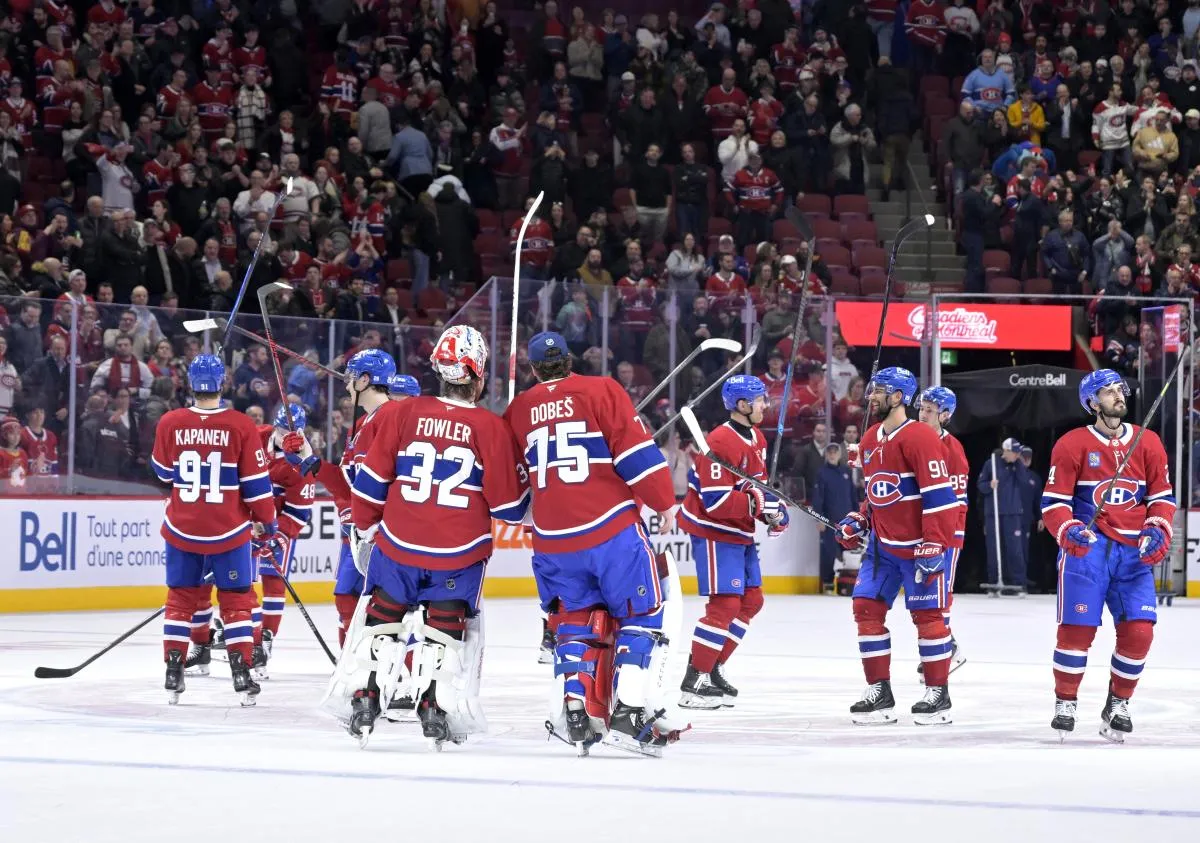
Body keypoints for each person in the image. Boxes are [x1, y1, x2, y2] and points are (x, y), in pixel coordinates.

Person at [347, 325, 530, 747]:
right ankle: (434, 706)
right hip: (458, 551)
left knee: (383, 623)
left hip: (397, 545)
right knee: (444, 631)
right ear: (479, 376)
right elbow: (510, 509)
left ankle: (366, 696)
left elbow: (370, 485)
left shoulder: (399, 413)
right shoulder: (490, 427)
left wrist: (366, 531)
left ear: (439, 371)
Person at [504, 331, 684, 757]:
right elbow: (636, 454)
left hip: (552, 540)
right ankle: (630, 710)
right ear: (570, 361)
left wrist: (528, 513)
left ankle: (576, 702)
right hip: (610, 529)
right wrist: (665, 504)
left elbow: (512, 491)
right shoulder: (602, 389)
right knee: (642, 611)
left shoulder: (518, 409)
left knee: (574, 619)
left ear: (532, 370)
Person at [1041, 369, 1175, 742]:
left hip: (1134, 554)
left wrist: (1158, 526)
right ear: (1091, 402)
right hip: (1088, 552)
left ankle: (1118, 702)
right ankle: (1065, 701)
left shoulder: (1148, 442)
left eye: (1120, 389)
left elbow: (1162, 498)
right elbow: (1054, 503)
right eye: (1108, 391)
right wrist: (1067, 529)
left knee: (1140, 632)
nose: (1118, 395)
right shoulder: (1071, 444)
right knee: (1076, 631)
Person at [149, 355, 278, 706]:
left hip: (182, 527)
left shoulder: (170, 421)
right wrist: (267, 520)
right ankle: (241, 672)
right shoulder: (240, 424)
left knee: (180, 599)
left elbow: (162, 475)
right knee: (237, 601)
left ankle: (173, 672)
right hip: (228, 530)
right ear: (223, 383)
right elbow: (255, 483)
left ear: (189, 384)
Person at [835, 367, 958, 725]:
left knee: (928, 617)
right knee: (865, 608)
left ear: (898, 397)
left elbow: (942, 498)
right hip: (881, 548)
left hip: (920, 546)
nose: (870, 397)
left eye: (879, 391)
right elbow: (876, 495)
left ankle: (938, 693)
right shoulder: (871, 437)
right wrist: (860, 520)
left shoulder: (919, 437)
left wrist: (935, 543)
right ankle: (879, 690)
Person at [678, 375, 789, 709]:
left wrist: (774, 511)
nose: (765, 406)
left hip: (739, 532)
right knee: (724, 605)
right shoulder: (720, 442)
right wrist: (758, 505)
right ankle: (693, 682)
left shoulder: (756, 437)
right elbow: (715, 502)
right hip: (714, 531)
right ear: (742, 405)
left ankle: (712, 668)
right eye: (759, 401)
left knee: (751, 600)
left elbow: (757, 487)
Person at [309, 349, 399, 645]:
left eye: (351, 378)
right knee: (347, 595)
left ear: (364, 380)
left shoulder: (389, 418)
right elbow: (351, 484)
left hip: (388, 537)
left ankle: (381, 675)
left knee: (389, 612)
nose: (346, 384)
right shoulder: (366, 423)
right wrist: (310, 462)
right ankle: (356, 670)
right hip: (367, 534)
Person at [916, 386, 969, 678]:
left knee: (940, 592)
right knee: (924, 593)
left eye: (930, 410)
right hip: (921, 532)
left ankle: (946, 651)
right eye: (922, 408)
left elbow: (958, 501)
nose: (923, 414)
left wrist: (946, 537)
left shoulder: (953, 450)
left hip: (947, 534)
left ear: (945, 415)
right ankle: (945, 645)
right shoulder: (915, 439)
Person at [977, 436, 1032, 593]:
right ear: (1006, 451)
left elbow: (1025, 482)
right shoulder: (991, 464)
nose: (1016, 455)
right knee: (994, 548)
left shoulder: (1017, 466)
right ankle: (994, 582)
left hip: (1012, 512)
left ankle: (1019, 583)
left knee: (1015, 549)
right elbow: (980, 485)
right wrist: (989, 485)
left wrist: (1018, 464)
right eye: (1014, 453)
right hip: (993, 513)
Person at [812, 442, 857, 593]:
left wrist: (857, 517)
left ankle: (847, 583)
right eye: (829, 452)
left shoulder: (846, 472)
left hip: (847, 522)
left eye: (834, 452)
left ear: (839, 454)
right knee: (828, 553)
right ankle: (828, 583)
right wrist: (820, 519)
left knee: (849, 553)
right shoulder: (821, 473)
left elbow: (853, 496)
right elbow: (818, 498)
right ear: (826, 454)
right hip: (829, 521)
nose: (832, 454)